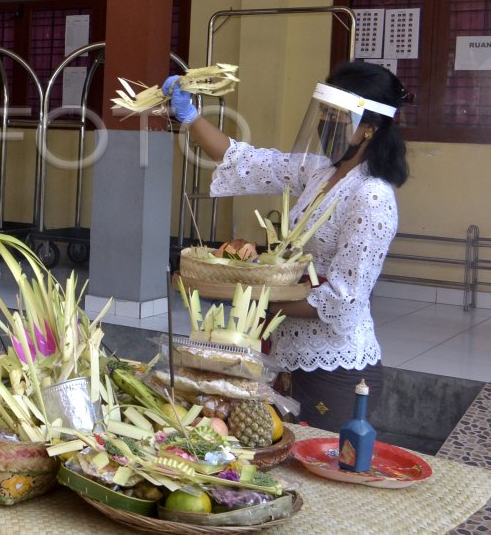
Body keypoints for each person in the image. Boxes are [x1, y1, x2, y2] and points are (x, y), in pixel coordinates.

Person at [164, 60, 410, 430]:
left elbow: (344, 299)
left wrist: (249, 297)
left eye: (336, 115)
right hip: (287, 354)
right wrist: (190, 116)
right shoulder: (321, 171)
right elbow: (246, 159)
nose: (325, 122)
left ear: (370, 128)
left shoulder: (371, 196)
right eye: (323, 111)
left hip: (336, 363)